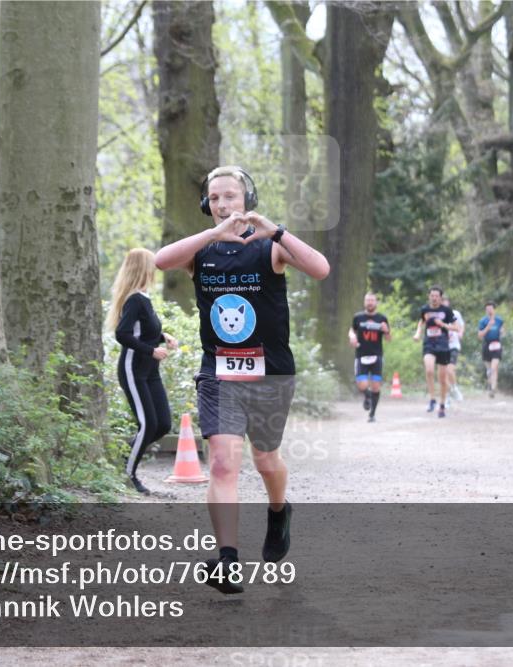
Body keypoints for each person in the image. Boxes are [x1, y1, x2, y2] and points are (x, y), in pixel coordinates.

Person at [155, 165, 330, 594]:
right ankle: (228, 559)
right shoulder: (202, 250)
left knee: (266, 458)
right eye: (214, 199)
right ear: (206, 205)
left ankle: (278, 511)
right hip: (219, 371)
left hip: (270, 373)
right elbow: (160, 261)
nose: (222, 205)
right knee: (221, 461)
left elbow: (321, 268)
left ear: (246, 199)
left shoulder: (269, 247)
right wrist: (213, 234)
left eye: (230, 196)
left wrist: (277, 231)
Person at [107, 248, 178, 495]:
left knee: (163, 425)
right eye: (153, 264)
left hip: (150, 371)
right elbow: (122, 334)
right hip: (133, 369)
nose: (156, 269)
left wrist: (162, 336)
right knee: (148, 424)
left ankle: (122, 458)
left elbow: (143, 331)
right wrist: (151, 351)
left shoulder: (144, 298)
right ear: (143, 268)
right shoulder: (135, 300)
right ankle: (128, 476)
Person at [413, 286, 456, 418]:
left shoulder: (447, 311)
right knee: (429, 370)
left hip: (443, 345)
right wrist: (418, 333)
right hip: (429, 344)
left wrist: (443, 325)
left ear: (440, 297)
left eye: (437, 296)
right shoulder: (425, 309)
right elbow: (421, 322)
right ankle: (432, 399)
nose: (434, 298)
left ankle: (442, 404)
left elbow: (456, 327)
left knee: (442, 379)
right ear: (429, 296)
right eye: (432, 295)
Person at [349, 292, 391, 422]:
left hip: (377, 356)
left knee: (376, 386)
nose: (370, 302)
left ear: (376, 303)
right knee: (362, 385)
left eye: (372, 300)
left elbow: (389, 339)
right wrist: (352, 337)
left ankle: (372, 414)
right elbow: (352, 330)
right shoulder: (358, 317)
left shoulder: (382, 318)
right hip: (361, 355)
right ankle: (367, 397)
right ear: (364, 302)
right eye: (367, 300)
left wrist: (386, 331)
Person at [478, 301, 504, 398]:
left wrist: (502, 332)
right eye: (487, 309)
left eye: (491, 308)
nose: (489, 310)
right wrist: (488, 327)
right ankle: (491, 385)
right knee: (489, 369)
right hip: (486, 345)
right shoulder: (483, 321)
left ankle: (493, 388)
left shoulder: (499, 320)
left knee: (494, 367)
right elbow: (480, 336)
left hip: (496, 345)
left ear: (494, 309)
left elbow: (502, 331)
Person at [441, 296, 465, 405]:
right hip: (442, 347)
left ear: (448, 303)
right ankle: (447, 397)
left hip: (454, 346)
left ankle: (454, 388)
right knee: (444, 374)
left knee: (450, 370)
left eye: (445, 302)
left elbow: (461, 325)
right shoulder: (438, 315)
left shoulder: (455, 313)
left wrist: (460, 333)